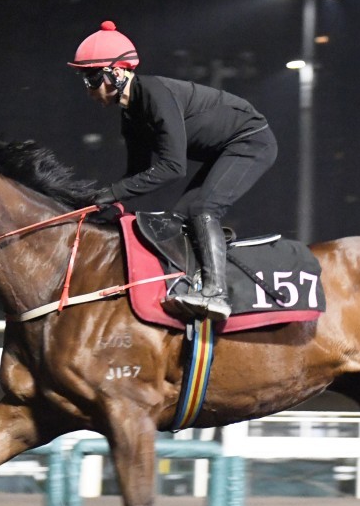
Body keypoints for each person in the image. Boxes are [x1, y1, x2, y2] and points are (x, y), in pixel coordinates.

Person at [69, 20, 278, 321]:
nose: (88, 90)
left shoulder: (154, 94)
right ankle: (196, 284)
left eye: (91, 79)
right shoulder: (130, 116)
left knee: (204, 208)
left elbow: (172, 167)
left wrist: (110, 194)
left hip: (251, 141)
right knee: (181, 215)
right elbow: (137, 173)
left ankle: (217, 293)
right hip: (224, 151)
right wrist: (104, 203)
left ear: (117, 72)